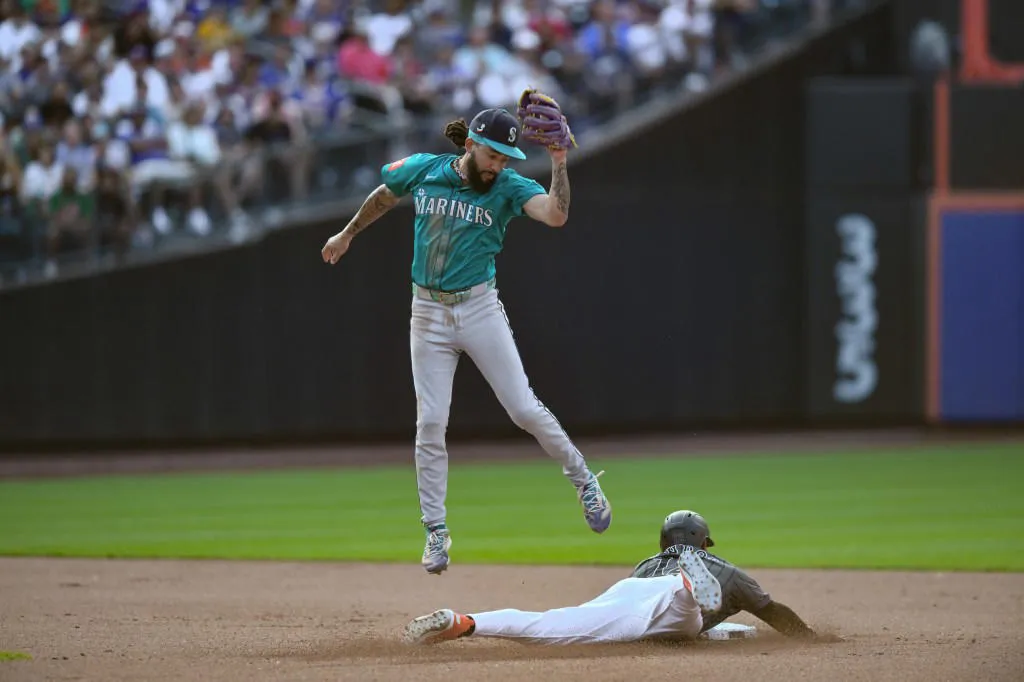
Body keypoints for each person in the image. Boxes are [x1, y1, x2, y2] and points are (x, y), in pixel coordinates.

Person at [320, 99, 611, 576]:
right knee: (430, 423)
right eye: (492, 155)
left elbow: (556, 215)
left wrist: (559, 163)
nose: (498, 165)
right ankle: (436, 532)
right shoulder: (424, 170)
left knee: (522, 407)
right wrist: (347, 233)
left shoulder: (510, 186)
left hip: (478, 308)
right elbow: (385, 193)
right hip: (428, 312)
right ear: (472, 145)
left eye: (504, 158)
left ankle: (583, 480)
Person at [403, 510, 825, 645]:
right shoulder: (728, 570)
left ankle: (466, 621)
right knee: (684, 610)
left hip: (628, 591)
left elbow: (651, 620)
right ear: (703, 542)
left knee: (552, 621)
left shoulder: (645, 562)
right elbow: (772, 611)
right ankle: (689, 589)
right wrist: (808, 637)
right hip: (677, 601)